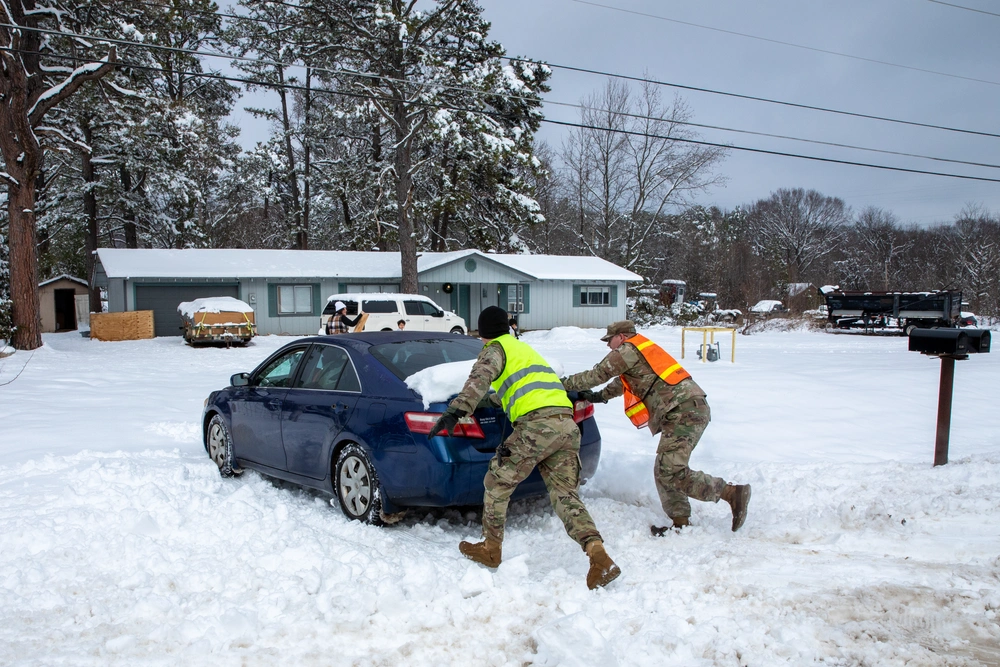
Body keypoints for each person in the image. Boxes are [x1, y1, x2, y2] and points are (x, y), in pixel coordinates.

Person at [431, 306, 620, 590]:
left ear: (483, 333)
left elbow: (478, 379)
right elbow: (526, 390)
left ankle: (491, 549)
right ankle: (599, 556)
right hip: (566, 426)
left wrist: (457, 410)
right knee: (565, 495)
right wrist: (490, 402)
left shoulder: (495, 348)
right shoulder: (525, 351)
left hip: (537, 427)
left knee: (496, 483)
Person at [562, 321, 751, 535]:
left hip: (684, 412)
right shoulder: (641, 352)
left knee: (671, 470)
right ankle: (680, 522)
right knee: (665, 470)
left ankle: (730, 492)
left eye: (609, 340)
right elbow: (620, 385)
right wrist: (597, 397)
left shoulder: (628, 349)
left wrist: (560, 383)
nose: (608, 346)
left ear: (621, 337)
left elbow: (596, 375)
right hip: (687, 410)